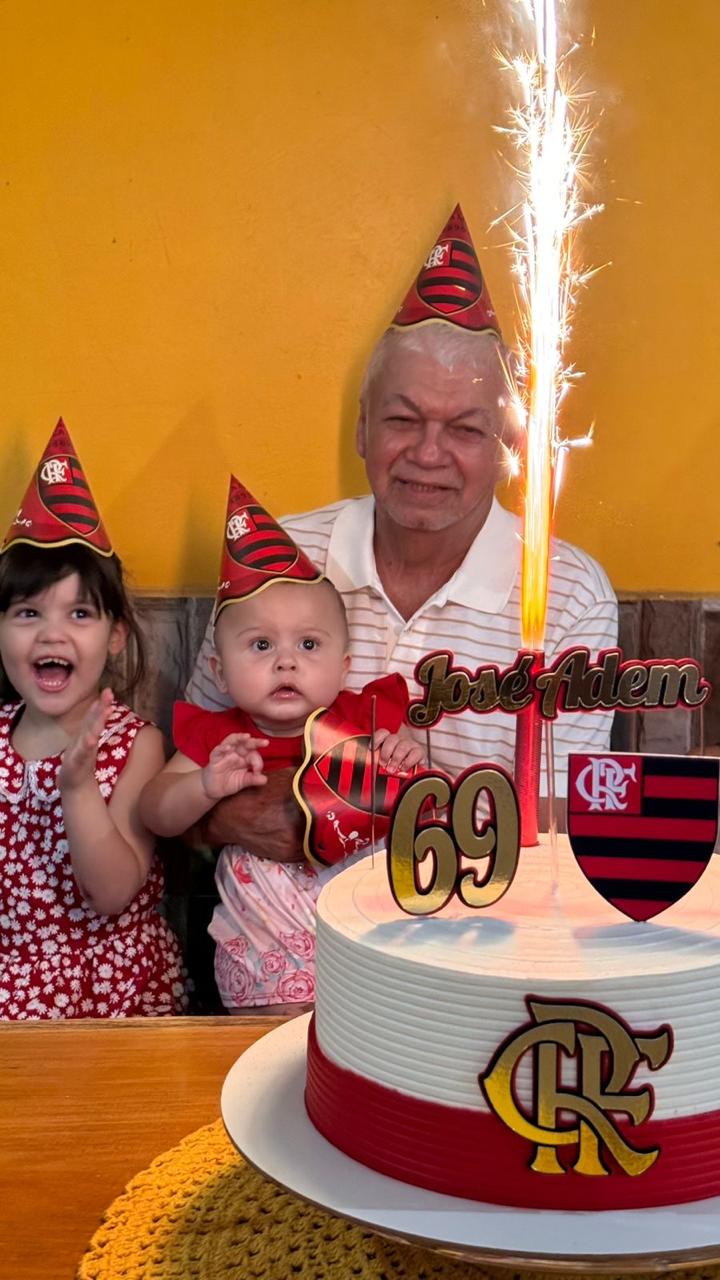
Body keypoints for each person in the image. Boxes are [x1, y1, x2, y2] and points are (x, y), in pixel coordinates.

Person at [186, 204, 618, 860]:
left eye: (465, 429)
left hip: (473, 913)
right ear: (363, 428)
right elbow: (180, 789)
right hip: (271, 917)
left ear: (505, 444)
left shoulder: (570, 593)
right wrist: (224, 817)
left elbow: (564, 823)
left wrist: (375, 805)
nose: (428, 453)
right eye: (402, 420)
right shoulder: (279, 556)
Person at [141, 477, 423, 1014]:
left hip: (364, 918)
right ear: (219, 672)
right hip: (263, 931)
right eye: (261, 645)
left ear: (344, 667)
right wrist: (204, 786)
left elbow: (415, 791)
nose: (286, 661)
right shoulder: (222, 737)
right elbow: (155, 811)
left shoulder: (363, 719)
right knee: (274, 1039)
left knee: (376, 1023)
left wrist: (403, 758)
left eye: (309, 644)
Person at [0, 421, 187, 1019]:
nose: (52, 633)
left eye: (79, 613)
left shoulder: (137, 745)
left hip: (110, 992)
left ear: (116, 636)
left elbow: (111, 894)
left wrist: (78, 786)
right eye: (28, 613)